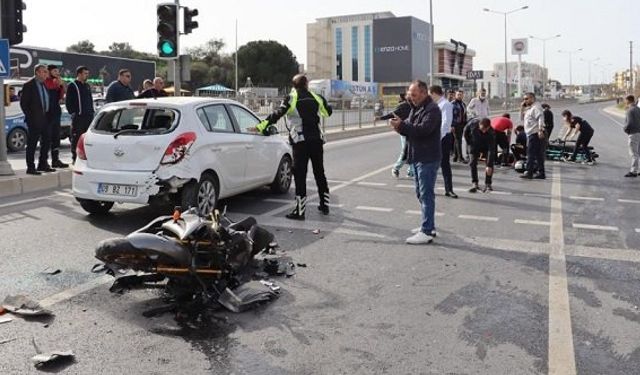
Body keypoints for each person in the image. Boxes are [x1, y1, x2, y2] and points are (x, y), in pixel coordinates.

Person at [261, 74, 332, 220]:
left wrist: (261, 126)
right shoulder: (317, 97)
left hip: (300, 141)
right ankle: (325, 206)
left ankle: (300, 212)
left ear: (294, 86)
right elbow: (328, 112)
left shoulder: (291, 98)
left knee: (300, 176)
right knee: (320, 173)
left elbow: (277, 114)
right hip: (317, 140)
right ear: (306, 84)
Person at [390, 80, 441, 245]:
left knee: (426, 194)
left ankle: (426, 231)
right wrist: (399, 126)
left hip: (428, 157)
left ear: (424, 93)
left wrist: (402, 126)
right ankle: (429, 226)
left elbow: (422, 130)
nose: (410, 98)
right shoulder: (418, 108)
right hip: (419, 156)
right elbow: (411, 127)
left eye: (413, 94)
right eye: (409, 95)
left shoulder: (432, 109)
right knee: (421, 193)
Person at [20, 64, 53, 175]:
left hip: (45, 118)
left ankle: (42, 164)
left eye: (46, 72)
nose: (46, 74)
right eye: (44, 72)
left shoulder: (44, 85)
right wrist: (31, 118)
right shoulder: (29, 85)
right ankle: (30, 167)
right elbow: (24, 104)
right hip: (34, 120)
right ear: (37, 72)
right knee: (32, 144)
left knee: (47, 141)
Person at [376, 92, 413, 178]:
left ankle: (411, 171)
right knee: (405, 151)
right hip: (404, 131)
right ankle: (396, 168)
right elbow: (392, 114)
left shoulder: (417, 105)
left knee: (412, 151)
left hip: (413, 131)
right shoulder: (403, 105)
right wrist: (380, 118)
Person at [430, 85, 457, 198]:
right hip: (435, 138)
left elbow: (446, 123)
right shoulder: (435, 105)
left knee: (444, 164)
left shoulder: (446, 104)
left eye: (430, 94)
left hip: (443, 138)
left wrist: (437, 138)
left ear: (434, 93)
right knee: (431, 164)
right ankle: (429, 188)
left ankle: (449, 189)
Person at [66, 66, 95, 163]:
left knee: (87, 137)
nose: (87, 75)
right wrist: (74, 113)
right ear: (79, 74)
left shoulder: (86, 85)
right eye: (85, 73)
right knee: (77, 137)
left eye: (87, 73)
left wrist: (92, 111)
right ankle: (75, 157)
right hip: (79, 117)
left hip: (88, 116)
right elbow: (68, 102)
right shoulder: (72, 85)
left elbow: (90, 99)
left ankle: (86, 156)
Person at [44, 65, 69, 169]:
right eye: (55, 71)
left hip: (56, 112)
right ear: (49, 71)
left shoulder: (57, 82)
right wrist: (57, 84)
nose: (57, 73)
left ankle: (55, 160)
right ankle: (43, 161)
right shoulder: (46, 81)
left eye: (58, 71)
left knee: (56, 137)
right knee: (46, 138)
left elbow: (62, 96)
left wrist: (62, 85)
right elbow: (49, 88)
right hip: (47, 113)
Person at [464, 117, 495, 192]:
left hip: (486, 146)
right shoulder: (472, 124)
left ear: (489, 127)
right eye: (482, 129)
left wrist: (489, 165)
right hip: (474, 145)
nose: (484, 131)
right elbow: (465, 132)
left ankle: (488, 183)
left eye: (486, 129)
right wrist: (469, 143)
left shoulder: (492, 132)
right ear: (479, 125)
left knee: (490, 166)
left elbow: (491, 149)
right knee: (472, 163)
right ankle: (475, 182)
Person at [520, 92, 546, 179]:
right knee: (538, 154)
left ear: (532, 98)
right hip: (531, 133)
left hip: (535, 133)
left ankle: (529, 172)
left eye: (526, 99)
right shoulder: (529, 109)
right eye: (524, 99)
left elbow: (540, 118)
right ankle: (541, 173)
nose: (525, 101)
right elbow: (521, 119)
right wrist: (522, 108)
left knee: (530, 153)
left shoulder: (536, 107)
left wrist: (540, 130)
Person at [624, 95, 640, 177]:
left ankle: (633, 171)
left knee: (634, 153)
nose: (625, 102)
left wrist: (625, 129)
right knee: (639, 152)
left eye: (625, 100)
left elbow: (629, 123)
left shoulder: (629, 110)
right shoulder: (638, 109)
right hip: (639, 132)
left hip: (633, 133)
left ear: (628, 100)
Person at [451, 89, 468, 163]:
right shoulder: (452, 104)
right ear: (455, 95)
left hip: (462, 124)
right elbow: (450, 115)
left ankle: (455, 156)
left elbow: (465, 114)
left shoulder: (463, 104)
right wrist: (451, 125)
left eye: (461, 95)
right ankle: (460, 157)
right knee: (458, 140)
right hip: (455, 124)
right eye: (458, 95)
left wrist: (465, 123)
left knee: (457, 140)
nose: (460, 96)